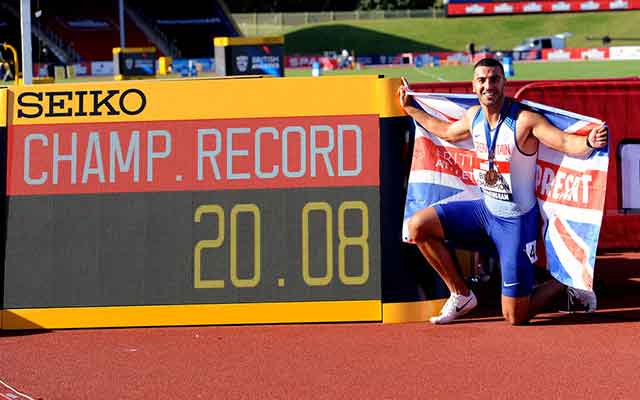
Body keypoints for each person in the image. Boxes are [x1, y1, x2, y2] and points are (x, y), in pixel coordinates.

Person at [398, 58, 608, 325]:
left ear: (504, 83)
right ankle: (461, 295)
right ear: (473, 86)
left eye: (494, 79)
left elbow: (564, 142)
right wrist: (411, 109)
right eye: (482, 80)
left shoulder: (524, 121)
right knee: (417, 227)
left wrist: (589, 141)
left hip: (516, 223)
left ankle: (567, 279)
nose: (488, 85)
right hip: (484, 211)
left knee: (515, 317)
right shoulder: (473, 116)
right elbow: (446, 132)